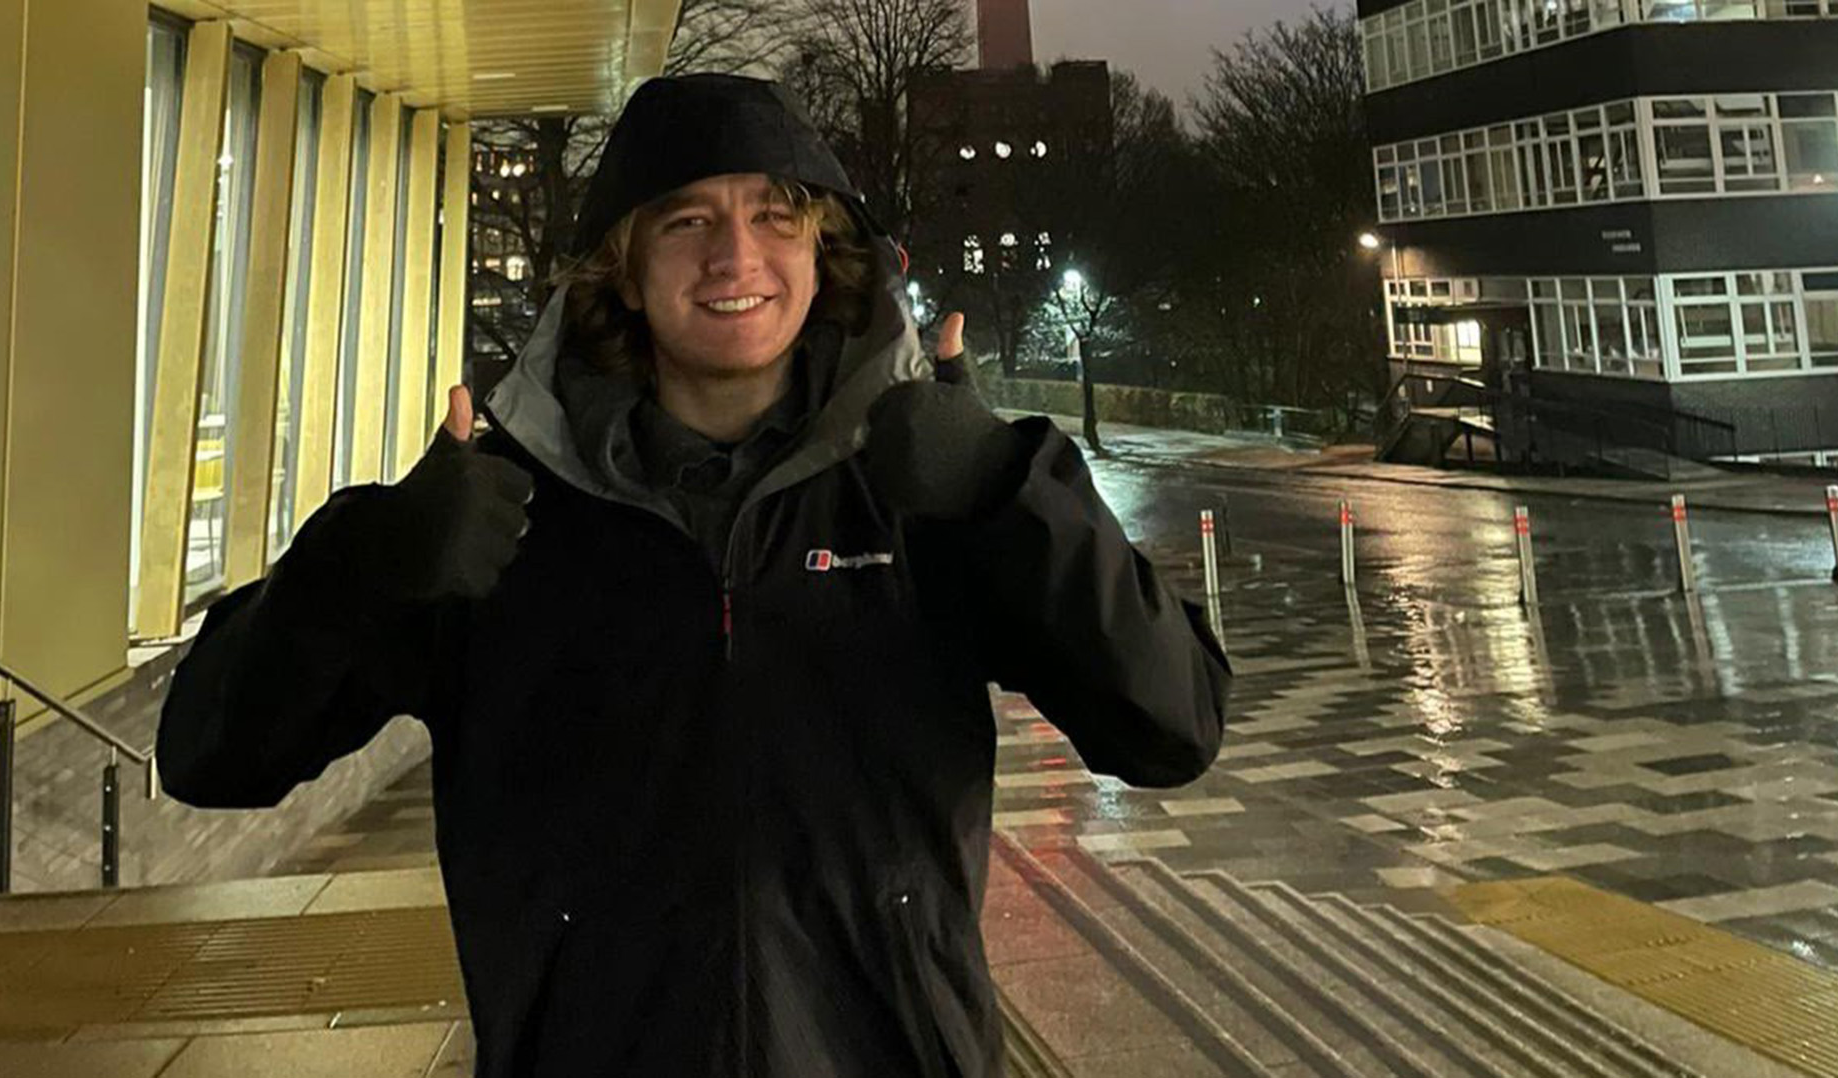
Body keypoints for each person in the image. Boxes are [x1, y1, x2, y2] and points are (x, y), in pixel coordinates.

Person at [158, 73, 1230, 1078]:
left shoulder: (929, 494)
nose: (735, 259)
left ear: (826, 251)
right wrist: (366, 561)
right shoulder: (501, 518)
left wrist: (1011, 486)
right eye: (685, 222)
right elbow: (211, 752)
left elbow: (1172, 724)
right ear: (623, 264)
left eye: (774, 216)